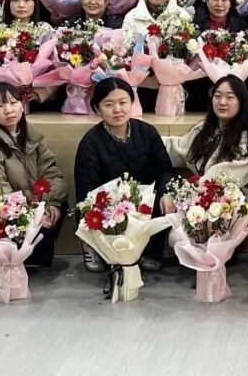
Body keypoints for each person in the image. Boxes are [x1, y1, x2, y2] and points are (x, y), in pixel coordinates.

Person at [0, 82, 68, 278]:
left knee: (58, 207)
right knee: (24, 222)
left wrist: (51, 203)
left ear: (22, 105)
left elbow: (51, 172)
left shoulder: (31, 135)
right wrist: (33, 214)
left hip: (27, 204)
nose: (9, 110)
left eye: (14, 102)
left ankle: (25, 258)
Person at [74, 79, 174, 272]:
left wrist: (166, 193)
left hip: (146, 204)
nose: (117, 110)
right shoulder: (90, 142)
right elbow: (86, 188)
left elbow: (165, 170)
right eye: (109, 104)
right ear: (97, 109)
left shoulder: (147, 132)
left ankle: (151, 252)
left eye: (123, 102)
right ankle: (94, 245)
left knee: (166, 198)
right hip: (109, 204)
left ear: (132, 103)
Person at [167, 76, 248, 203]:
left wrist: (187, 192)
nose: (222, 102)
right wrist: (149, 141)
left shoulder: (247, 139)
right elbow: (178, 148)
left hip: (234, 202)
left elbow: (221, 176)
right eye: (217, 96)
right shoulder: (203, 130)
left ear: (241, 101)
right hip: (199, 197)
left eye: (230, 97)